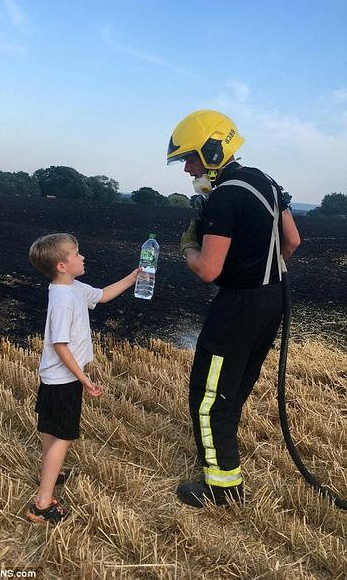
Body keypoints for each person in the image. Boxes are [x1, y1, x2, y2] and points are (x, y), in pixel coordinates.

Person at [167, 110, 301, 508]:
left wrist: (188, 247)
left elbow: (208, 269)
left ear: (211, 150)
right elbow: (292, 241)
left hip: (239, 306)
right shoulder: (265, 180)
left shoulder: (224, 197)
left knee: (208, 396)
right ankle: (221, 454)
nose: (187, 167)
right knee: (235, 386)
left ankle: (222, 486)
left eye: (189, 158)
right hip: (273, 298)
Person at [27, 232, 139, 524]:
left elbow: (101, 296)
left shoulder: (74, 287)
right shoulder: (62, 299)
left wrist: (132, 278)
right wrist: (84, 378)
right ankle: (42, 504)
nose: (83, 257)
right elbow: (60, 345)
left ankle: (49, 472)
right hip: (63, 380)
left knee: (51, 429)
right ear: (62, 265)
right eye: (77, 253)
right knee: (62, 436)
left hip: (57, 378)